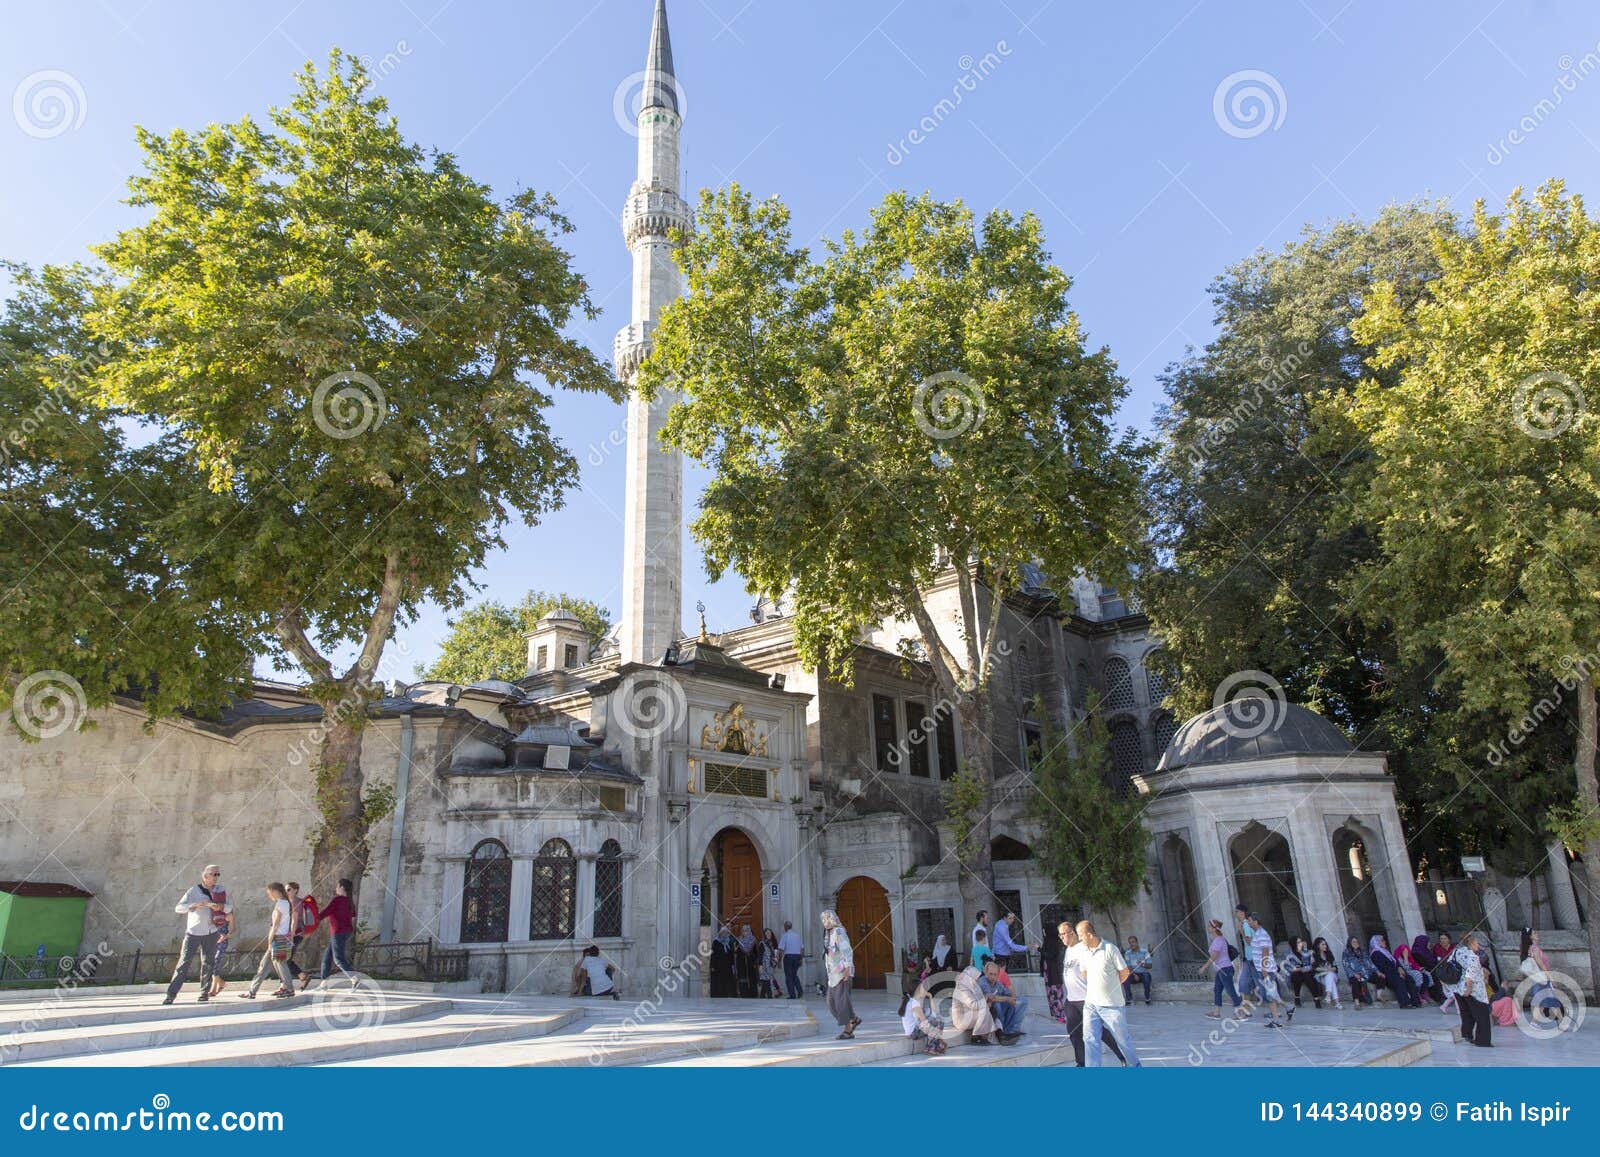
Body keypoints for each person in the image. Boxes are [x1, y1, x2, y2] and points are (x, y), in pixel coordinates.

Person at [1067, 920, 1141, 1067]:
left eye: (1081, 935)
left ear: (1089, 934)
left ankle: (1135, 1067)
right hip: (1091, 1004)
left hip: (1112, 1005)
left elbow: (1125, 972)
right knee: (1090, 1039)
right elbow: (1084, 972)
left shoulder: (1110, 949)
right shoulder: (1084, 952)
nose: (1079, 939)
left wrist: (1111, 987)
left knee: (1122, 1041)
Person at [165, 864, 226, 1005]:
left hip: (211, 931)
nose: (216, 877)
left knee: (208, 963)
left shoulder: (220, 890)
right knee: (184, 963)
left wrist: (220, 907)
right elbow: (179, 908)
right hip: (194, 932)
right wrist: (194, 906)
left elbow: (228, 907)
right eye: (214, 874)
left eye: (218, 874)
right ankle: (171, 994)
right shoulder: (194, 890)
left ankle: (204, 993)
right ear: (205, 876)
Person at [1442, 930, 1492, 1047]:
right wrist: (1469, 988)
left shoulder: (1456, 952)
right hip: (1473, 991)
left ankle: (1467, 1034)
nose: (1478, 946)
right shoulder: (1472, 956)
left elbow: (1448, 965)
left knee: (1466, 1013)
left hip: (1458, 989)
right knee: (1482, 1015)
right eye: (1477, 943)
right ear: (1471, 944)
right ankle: (1482, 1041)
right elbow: (1470, 973)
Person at [1247, 913, 1292, 1027]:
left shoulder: (1262, 934)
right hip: (1263, 969)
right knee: (1270, 994)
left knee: (1269, 995)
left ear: (1256, 921)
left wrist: (1264, 969)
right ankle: (1288, 1007)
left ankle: (1277, 1019)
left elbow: (1265, 951)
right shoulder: (1258, 934)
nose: (1249, 922)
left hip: (1266, 969)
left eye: (1250, 920)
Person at [821, 909, 860, 1039]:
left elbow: (847, 950)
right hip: (832, 974)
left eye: (827, 919)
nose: (825, 922)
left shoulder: (839, 931)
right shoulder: (827, 933)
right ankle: (853, 1019)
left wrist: (847, 970)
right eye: (823, 919)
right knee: (831, 1003)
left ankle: (848, 1030)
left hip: (842, 972)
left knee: (841, 1002)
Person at [1200, 918, 1244, 1019]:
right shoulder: (1217, 940)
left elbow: (1214, 956)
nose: (1208, 928)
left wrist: (1204, 967)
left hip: (1225, 969)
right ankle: (1216, 1012)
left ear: (1214, 928)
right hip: (1221, 970)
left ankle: (1240, 1013)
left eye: (1210, 927)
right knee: (1217, 990)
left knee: (1230, 990)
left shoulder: (1219, 940)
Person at [316, 878, 356, 987]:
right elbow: (353, 914)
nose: (336, 888)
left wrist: (315, 918)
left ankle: (354, 977)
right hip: (347, 931)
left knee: (338, 959)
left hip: (338, 931)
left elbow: (325, 912)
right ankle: (323, 983)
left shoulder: (337, 900)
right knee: (327, 956)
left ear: (342, 887)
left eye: (337, 886)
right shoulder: (350, 901)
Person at [950, 962, 1002, 1045]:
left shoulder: (971, 986)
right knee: (984, 1011)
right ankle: (980, 1037)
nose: (977, 980)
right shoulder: (962, 989)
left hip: (969, 1013)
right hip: (961, 1019)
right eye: (976, 978)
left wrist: (987, 998)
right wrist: (985, 1000)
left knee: (991, 1009)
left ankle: (988, 1035)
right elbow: (973, 1005)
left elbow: (978, 999)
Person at [1518, 927, 1561, 1025]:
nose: (1537, 934)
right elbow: (1541, 965)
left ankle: (1534, 1022)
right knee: (1551, 1001)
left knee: (1543, 1001)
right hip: (1543, 979)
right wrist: (1551, 978)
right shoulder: (1535, 949)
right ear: (1530, 937)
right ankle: (1563, 1023)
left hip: (1538, 979)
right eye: (1535, 933)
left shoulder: (1528, 949)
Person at [977, 959, 1027, 1041]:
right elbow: (991, 998)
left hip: (998, 1008)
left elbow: (1008, 993)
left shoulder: (998, 983)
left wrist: (1013, 999)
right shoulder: (983, 981)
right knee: (997, 1004)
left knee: (1023, 1001)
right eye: (991, 974)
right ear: (986, 973)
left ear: (998, 975)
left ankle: (1011, 1030)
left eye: (995, 975)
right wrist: (1007, 999)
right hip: (988, 1012)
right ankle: (1001, 1032)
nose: (993, 977)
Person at [1368, 933, 1419, 1008]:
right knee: (1399, 980)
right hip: (1387, 975)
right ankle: (1405, 1003)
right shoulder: (1375, 953)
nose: (1384, 942)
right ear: (1377, 942)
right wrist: (1398, 972)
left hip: (1395, 972)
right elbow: (1383, 967)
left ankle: (1415, 1002)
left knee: (1409, 979)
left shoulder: (1385, 952)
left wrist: (1399, 968)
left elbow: (1395, 961)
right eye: (1382, 941)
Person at [206, 878, 235, 997]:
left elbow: (233, 930)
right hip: (211, 940)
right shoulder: (209, 913)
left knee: (216, 962)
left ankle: (213, 988)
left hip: (222, 941)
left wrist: (226, 936)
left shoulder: (228, 914)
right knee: (211, 963)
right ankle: (221, 983)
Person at [1232, 903, 1260, 1001]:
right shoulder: (1244, 924)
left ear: (1242, 912)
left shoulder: (1246, 925)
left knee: (1258, 982)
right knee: (1244, 982)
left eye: (1236, 912)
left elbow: (1249, 941)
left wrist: (1241, 931)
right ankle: (1245, 1007)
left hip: (1253, 958)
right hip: (1248, 958)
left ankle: (1276, 1006)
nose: (1235, 914)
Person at [1283, 936, 1321, 1008]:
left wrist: (1306, 968)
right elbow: (1288, 967)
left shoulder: (1305, 951)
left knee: (1307, 976)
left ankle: (1316, 999)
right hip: (1295, 973)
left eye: (1301, 941)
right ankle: (1297, 997)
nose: (1301, 943)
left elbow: (1311, 964)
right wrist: (1299, 969)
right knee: (1297, 976)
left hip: (1306, 971)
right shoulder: (1288, 953)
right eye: (1298, 942)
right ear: (1293, 944)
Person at [1040, 922, 1066, 1022]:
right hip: (1050, 972)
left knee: (1055, 992)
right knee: (1052, 992)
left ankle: (1060, 1014)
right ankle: (1056, 1014)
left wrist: (1039, 949)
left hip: (1053, 972)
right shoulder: (1049, 941)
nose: (1043, 931)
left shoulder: (1053, 942)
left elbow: (1050, 955)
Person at [1341, 935, 1375, 1007]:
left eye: (1356, 942)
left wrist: (1376, 971)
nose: (1355, 943)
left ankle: (1373, 997)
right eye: (1353, 942)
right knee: (1355, 981)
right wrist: (1354, 974)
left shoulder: (1362, 952)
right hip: (1353, 974)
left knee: (1378, 977)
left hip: (1365, 973)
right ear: (1349, 943)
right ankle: (1357, 1002)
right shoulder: (1346, 952)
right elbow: (1345, 965)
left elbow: (1369, 963)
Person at [1311, 937, 1342, 1010]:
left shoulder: (1329, 954)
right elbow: (1315, 968)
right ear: (1318, 945)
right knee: (1331, 981)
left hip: (1333, 975)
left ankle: (1328, 996)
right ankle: (1337, 1003)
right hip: (1321, 977)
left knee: (1330, 975)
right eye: (1323, 944)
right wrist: (1326, 969)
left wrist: (1330, 969)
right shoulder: (1314, 955)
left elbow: (1335, 967)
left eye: (1325, 944)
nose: (1325, 946)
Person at [1122, 936, 1153, 1004]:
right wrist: (1134, 974)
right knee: (1124, 978)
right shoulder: (1127, 953)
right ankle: (1129, 999)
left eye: (1133, 942)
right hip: (1133, 974)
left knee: (1146, 977)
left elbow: (1150, 965)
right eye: (1130, 943)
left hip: (1144, 973)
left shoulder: (1145, 952)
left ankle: (1147, 997)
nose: (1132, 944)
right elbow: (1128, 967)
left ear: (1137, 942)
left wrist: (1143, 964)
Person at [776, 920, 804, 999]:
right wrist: (801, 959)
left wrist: (779, 961)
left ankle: (792, 995)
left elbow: (781, 950)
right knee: (794, 975)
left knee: (789, 976)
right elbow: (802, 949)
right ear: (791, 927)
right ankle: (800, 991)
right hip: (797, 957)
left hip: (788, 958)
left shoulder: (785, 936)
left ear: (785, 927)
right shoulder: (797, 935)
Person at [735, 925, 758, 997]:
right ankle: (743, 993)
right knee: (742, 978)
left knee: (752, 978)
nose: (744, 932)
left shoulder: (753, 940)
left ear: (749, 931)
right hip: (741, 963)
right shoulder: (738, 940)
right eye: (743, 930)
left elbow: (756, 952)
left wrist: (755, 961)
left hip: (751, 962)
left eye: (746, 930)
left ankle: (753, 994)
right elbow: (736, 952)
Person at [760, 928, 784, 998]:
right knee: (767, 981)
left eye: (770, 933)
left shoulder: (772, 943)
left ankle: (762, 996)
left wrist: (777, 960)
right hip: (765, 965)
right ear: (764, 934)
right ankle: (770, 996)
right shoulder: (762, 943)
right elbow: (760, 955)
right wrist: (760, 965)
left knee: (766, 981)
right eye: (767, 933)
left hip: (771, 965)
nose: (769, 935)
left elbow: (776, 952)